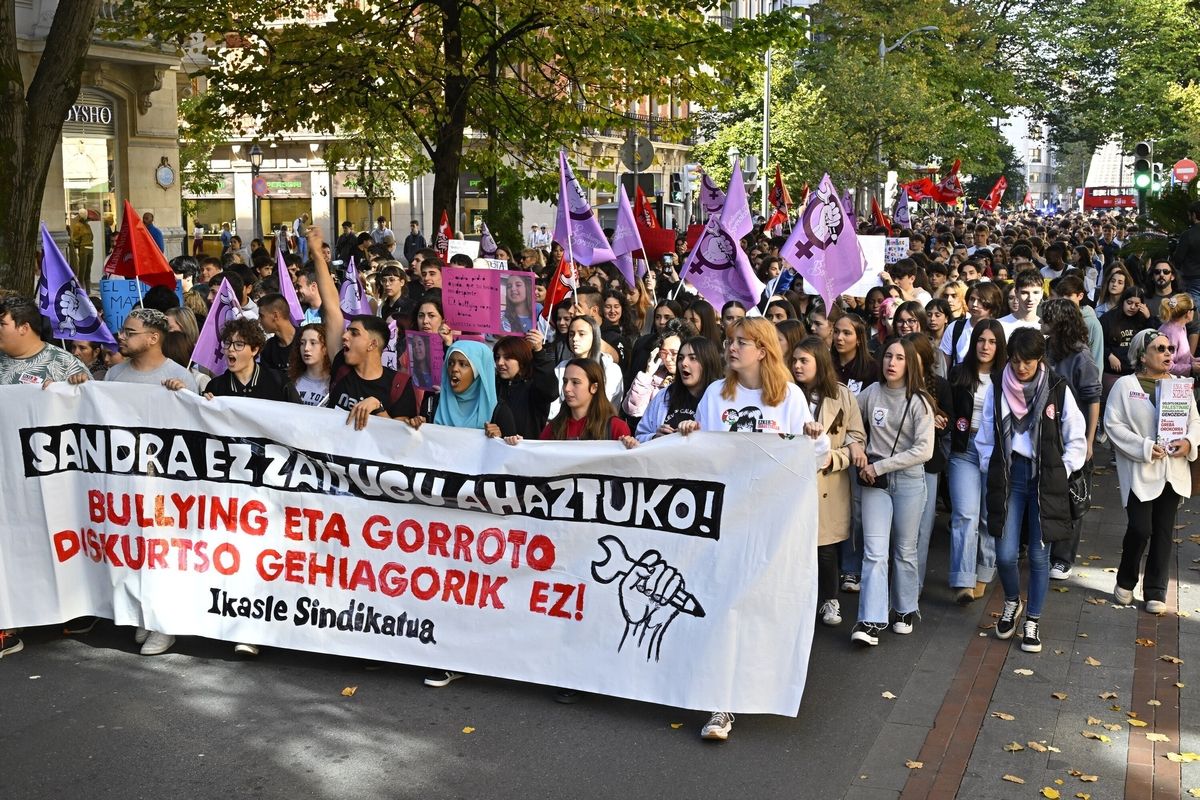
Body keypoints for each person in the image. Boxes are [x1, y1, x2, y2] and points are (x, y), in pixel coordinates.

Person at [677, 317, 828, 741]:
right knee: (721, 605)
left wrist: (815, 436)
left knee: (758, 608)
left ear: (763, 350)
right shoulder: (715, 394)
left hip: (770, 523)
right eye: (731, 341)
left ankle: (759, 686)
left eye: (742, 342)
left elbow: (813, 458)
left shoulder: (790, 398)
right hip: (723, 518)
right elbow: (700, 459)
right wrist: (690, 434)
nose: (732, 348)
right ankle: (720, 703)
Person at [976, 328, 1088, 653]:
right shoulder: (998, 385)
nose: (1021, 367)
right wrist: (991, 464)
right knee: (1005, 554)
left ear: (1040, 359)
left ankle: (1033, 620)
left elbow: (1076, 434)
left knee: (1040, 556)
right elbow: (985, 434)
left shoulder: (1056, 387)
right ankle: (1012, 602)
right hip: (1010, 476)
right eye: (1015, 360)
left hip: (1045, 479)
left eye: (1028, 361)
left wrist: (1062, 469)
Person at [1106, 329, 1200, 613]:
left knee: (1163, 531)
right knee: (1140, 528)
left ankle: (1156, 591)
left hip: (1172, 470)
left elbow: (1195, 420)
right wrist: (1145, 447)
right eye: (1160, 349)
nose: (1168, 353)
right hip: (1141, 472)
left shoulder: (1181, 386)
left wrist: (1188, 442)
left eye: (1170, 348)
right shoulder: (1125, 386)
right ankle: (1125, 580)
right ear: (1142, 356)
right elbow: (1113, 425)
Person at [852, 337, 935, 646]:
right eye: (888, 356)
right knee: (874, 552)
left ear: (909, 363)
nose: (892, 362)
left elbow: (924, 450)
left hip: (908, 481)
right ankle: (870, 620)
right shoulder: (871, 393)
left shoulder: (919, 401)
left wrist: (880, 466)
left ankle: (905, 608)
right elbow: (848, 422)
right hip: (875, 483)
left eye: (900, 358)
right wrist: (856, 445)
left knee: (904, 550)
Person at [308, 227, 422, 430]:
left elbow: (402, 438)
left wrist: (377, 407)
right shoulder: (341, 366)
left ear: (372, 344)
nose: (344, 336)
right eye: (347, 331)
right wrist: (317, 254)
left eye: (354, 333)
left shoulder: (399, 385)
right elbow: (333, 307)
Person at [791, 335, 867, 628]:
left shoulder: (842, 395)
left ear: (819, 362)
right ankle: (797, 600)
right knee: (795, 545)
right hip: (794, 479)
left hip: (828, 480)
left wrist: (833, 458)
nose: (797, 366)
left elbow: (857, 438)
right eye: (794, 360)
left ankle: (830, 599)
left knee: (825, 547)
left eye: (804, 361)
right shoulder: (785, 394)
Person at [947, 320, 1006, 604]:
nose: (985, 346)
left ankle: (983, 572)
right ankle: (963, 579)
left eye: (992, 342)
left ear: (999, 346)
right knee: (964, 514)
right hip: (964, 449)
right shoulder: (959, 373)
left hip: (994, 452)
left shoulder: (1007, 378)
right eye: (981, 340)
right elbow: (947, 409)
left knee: (987, 516)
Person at [635, 335, 722, 442]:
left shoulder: (721, 398)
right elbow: (639, 436)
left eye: (693, 358)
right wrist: (655, 437)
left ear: (708, 362)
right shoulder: (664, 396)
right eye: (680, 358)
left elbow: (726, 440)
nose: (684, 363)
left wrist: (697, 431)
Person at [425, 340, 516, 438]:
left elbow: (511, 446)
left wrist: (499, 438)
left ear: (478, 372)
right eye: (450, 363)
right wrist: (416, 428)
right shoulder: (431, 405)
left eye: (463, 364)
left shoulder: (499, 412)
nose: (454, 369)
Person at [205, 318, 300, 404]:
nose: (230, 349)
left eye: (239, 345)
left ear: (254, 350)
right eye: (227, 343)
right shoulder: (215, 387)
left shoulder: (279, 383)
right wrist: (205, 402)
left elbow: (299, 413)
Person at [0, 296, 89, 386]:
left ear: (24, 328)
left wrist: (60, 391)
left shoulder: (68, 366)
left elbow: (89, 392)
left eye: (2, 324)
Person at [622, 319, 693, 427]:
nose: (668, 358)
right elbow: (632, 410)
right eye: (664, 353)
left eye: (674, 353)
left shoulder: (695, 378)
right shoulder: (656, 376)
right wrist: (647, 374)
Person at [550, 316, 624, 418]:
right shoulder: (561, 368)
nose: (575, 339)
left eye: (581, 334)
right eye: (571, 334)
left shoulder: (611, 370)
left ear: (595, 336)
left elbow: (610, 405)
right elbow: (553, 408)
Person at [494, 333, 558, 439]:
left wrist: (539, 352)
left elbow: (550, 392)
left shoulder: (535, 387)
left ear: (522, 360)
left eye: (507, 357)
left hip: (528, 448)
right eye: (497, 357)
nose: (500, 362)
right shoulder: (493, 385)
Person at [941, 282, 1004, 370]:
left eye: (981, 300)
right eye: (972, 299)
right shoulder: (955, 327)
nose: (974, 304)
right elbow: (944, 366)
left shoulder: (1001, 329)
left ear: (992, 303)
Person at [831, 314, 877, 397]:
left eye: (846, 333)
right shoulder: (825, 364)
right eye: (836, 331)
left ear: (859, 339)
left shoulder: (872, 370)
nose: (839, 337)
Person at [1157, 293, 1200, 377]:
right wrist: (1191, 368)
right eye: (1194, 309)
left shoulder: (1181, 327)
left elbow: (1182, 356)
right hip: (1170, 381)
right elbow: (1166, 365)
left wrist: (1194, 361)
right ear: (1188, 313)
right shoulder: (1171, 332)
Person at [289, 322, 331, 407]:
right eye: (302, 343)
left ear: (326, 348)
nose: (306, 348)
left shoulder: (334, 383)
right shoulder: (291, 380)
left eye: (313, 343)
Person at [998, 269, 1043, 339]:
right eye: (1024, 293)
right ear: (1016, 293)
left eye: (1035, 292)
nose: (1030, 298)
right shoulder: (1000, 325)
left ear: (1042, 293)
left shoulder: (1048, 328)